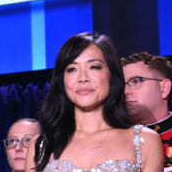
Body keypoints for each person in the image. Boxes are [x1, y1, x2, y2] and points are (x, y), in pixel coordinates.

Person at [25, 32, 163, 172]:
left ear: (112, 74)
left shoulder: (145, 142)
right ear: (62, 80)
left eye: (94, 67)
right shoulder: (41, 145)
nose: (83, 78)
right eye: (72, 69)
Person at [122, 52, 172, 170]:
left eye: (136, 81)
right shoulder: (114, 140)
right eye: (122, 85)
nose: (125, 91)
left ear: (164, 88)